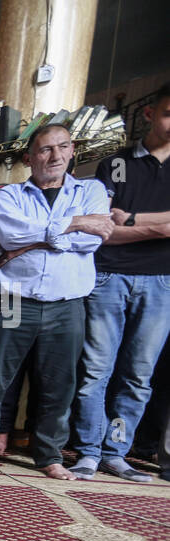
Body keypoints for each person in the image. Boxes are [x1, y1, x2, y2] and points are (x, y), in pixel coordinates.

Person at [0, 124, 113, 480]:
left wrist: (39, 237)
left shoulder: (90, 190)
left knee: (58, 383)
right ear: (30, 157)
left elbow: (94, 240)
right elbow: (10, 234)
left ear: (72, 149)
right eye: (45, 149)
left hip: (66, 303)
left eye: (62, 147)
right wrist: (75, 224)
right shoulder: (10, 195)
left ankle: (48, 455)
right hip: (13, 300)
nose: (55, 156)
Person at [71, 83, 170, 483]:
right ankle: (89, 451)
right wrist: (160, 226)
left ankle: (116, 451)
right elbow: (104, 230)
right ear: (149, 114)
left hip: (161, 281)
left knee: (138, 374)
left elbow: (119, 221)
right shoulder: (116, 164)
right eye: (168, 113)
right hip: (109, 274)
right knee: (96, 370)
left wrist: (131, 219)